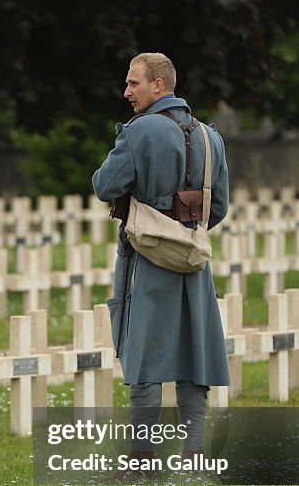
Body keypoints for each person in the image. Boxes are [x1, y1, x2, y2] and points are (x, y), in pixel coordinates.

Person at [91, 52, 230, 464]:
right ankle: (193, 453)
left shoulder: (139, 132)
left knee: (144, 356)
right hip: (193, 258)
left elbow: (104, 185)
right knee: (194, 355)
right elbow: (217, 207)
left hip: (148, 257)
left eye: (134, 83)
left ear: (159, 85)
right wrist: (182, 232)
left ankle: (142, 459)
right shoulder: (210, 136)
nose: (126, 91)